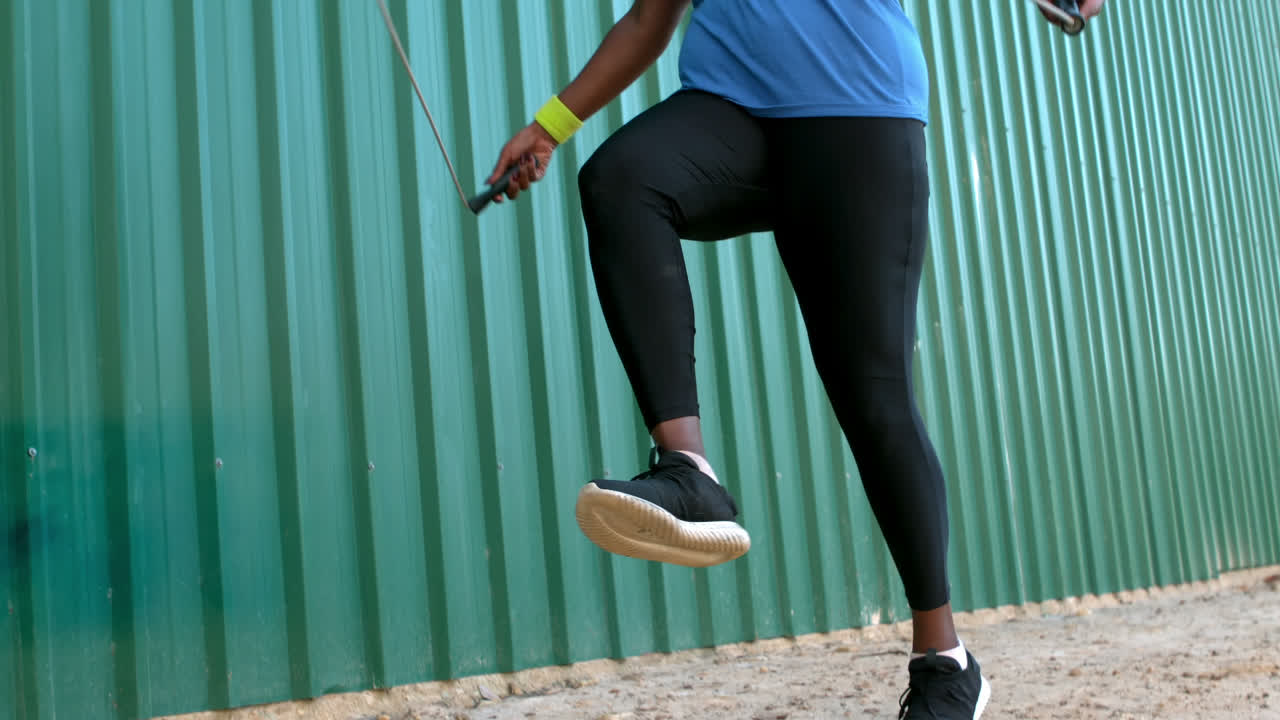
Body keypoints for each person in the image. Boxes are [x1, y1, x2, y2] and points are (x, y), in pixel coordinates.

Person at [484, 1, 1104, 717]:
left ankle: (945, 659)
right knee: (624, 177)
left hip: (859, 113)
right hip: (733, 113)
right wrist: (549, 127)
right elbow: (649, 20)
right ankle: (689, 472)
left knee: (873, 398)